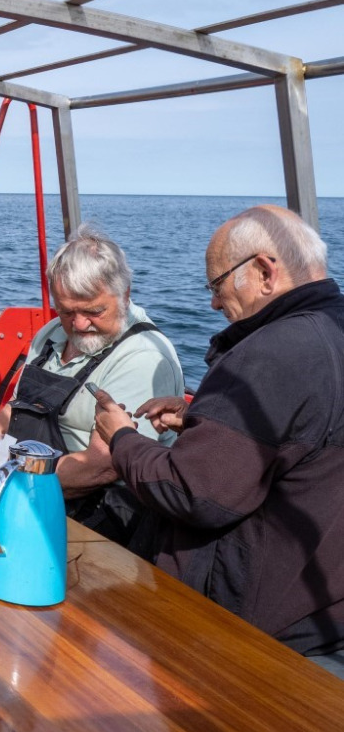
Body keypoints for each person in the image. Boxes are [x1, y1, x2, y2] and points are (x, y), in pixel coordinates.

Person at [94, 205, 344, 667]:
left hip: (245, 632)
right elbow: (308, 440)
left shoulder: (268, 354)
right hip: (318, 610)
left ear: (264, 272)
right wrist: (201, 420)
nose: (212, 304)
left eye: (217, 285)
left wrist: (122, 438)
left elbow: (193, 493)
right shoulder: (331, 332)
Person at [0, 224, 184, 554]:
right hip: (25, 489)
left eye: (93, 311)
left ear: (125, 294)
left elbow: (102, 466)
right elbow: (13, 409)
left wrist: (6, 485)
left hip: (96, 517)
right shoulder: (51, 334)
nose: (78, 324)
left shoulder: (143, 357)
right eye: (66, 311)